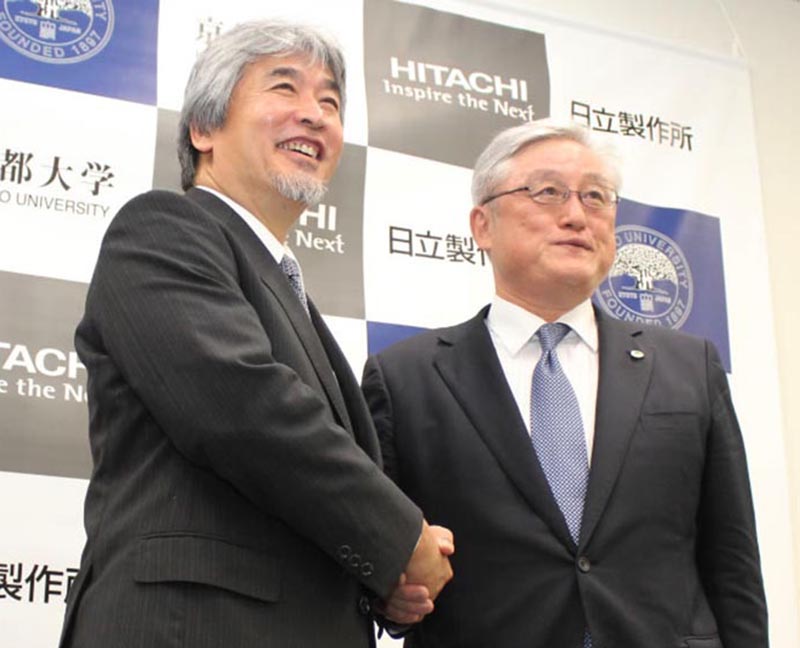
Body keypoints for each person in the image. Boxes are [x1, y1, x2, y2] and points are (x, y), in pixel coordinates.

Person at [58, 20, 452, 648]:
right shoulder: (163, 228)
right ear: (203, 128)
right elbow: (244, 411)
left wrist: (386, 583)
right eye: (284, 88)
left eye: (330, 102)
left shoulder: (283, 285)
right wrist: (401, 539)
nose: (315, 115)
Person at [362, 119, 768, 648]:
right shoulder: (405, 378)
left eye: (595, 196)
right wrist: (395, 597)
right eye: (548, 192)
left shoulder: (690, 366)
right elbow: (381, 560)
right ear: (483, 225)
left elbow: (733, 564)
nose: (576, 215)